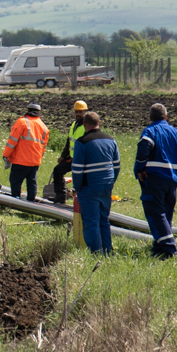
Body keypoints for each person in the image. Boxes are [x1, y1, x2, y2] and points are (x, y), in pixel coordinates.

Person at [134, 102, 177, 259]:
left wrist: (139, 170)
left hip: (155, 180)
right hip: (173, 182)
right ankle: (159, 250)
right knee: (166, 215)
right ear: (166, 117)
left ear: (150, 117)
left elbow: (143, 149)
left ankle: (170, 248)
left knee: (156, 215)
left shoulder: (150, 131)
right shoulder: (175, 132)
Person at [71, 112, 121, 253]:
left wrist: (78, 187)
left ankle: (96, 252)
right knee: (104, 220)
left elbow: (77, 170)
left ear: (85, 124)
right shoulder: (111, 140)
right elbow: (117, 166)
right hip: (106, 185)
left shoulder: (81, 143)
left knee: (91, 221)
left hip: (89, 187)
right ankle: (107, 251)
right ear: (99, 123)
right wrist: (111, 182)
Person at [2, 102, 49, 200]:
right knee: (32, 182)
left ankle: (16, 200)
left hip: (21, 160)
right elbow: (43, 147)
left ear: (28, 111)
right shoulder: (44, 127)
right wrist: (38, 159)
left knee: (15, 181)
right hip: (35, 162)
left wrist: (6, 155)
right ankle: (31, 202)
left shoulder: (22, 122)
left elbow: (12, 141)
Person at [49, 100, 90, 205]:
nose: (78, 114)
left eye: (80, 112)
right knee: (57, 171)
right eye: (76, 112)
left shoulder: (87, 126)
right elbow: (69, 142)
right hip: (72, 158)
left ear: (86, 112)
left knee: (80, 180)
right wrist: (63, 156)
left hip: (82, 160)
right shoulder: (74, 124)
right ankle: (60, 197)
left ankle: (81, 201)